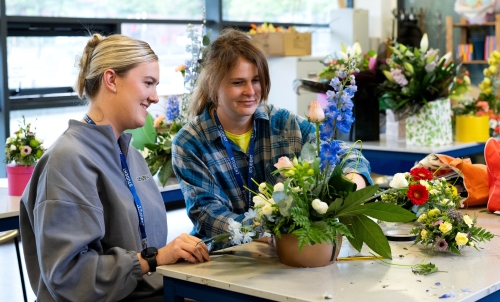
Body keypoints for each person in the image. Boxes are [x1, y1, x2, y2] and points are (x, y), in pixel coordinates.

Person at [19, 34, 210, 302]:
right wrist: (154, 258)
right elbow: (70, 277)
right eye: (148, 83)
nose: (155, 97)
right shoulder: (67, 161)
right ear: (111, 80)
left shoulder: (131, 155)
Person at [172, 28, 373, 250]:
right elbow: (211, 218)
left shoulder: (285, 124)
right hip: (224, 260)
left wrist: (352, 180)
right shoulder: (190, 143)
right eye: (238, 82)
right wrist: (282, 227)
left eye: (256, 80)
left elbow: (347, 154)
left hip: (287, 253)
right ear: (212, 83)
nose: (250, 91)